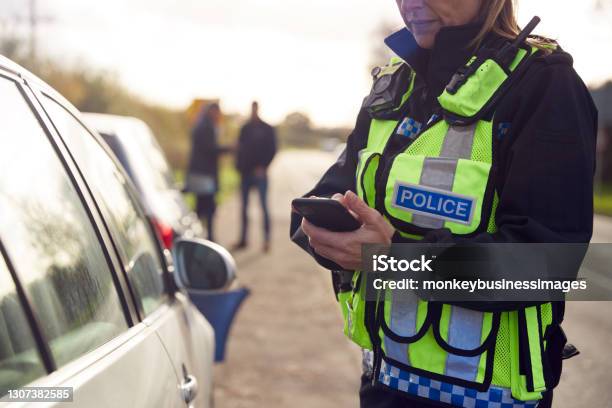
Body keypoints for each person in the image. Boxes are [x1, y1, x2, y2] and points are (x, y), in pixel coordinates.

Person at [290, 1, 597, 407]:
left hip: (493, 399)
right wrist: (328, 232)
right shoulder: (395, 85)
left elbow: (546, 263)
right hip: (383, 385)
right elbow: (322, 199)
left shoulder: (544, 85)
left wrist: (396, 258)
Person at [234, 101, 277, 252]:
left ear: (258, 109)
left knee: (263, 207)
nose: (253, 111)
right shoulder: (244, 128)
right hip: (245, 173)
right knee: (243, 208)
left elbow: (273, 149)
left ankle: (266, 241)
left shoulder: (267, 129)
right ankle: (243, 239)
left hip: (260, 174)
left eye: (255, 108)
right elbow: (239, 148)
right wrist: (238, 168)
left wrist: (263, 167)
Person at [186, 103, 230, 242]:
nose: (218, 115)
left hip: (200, 174)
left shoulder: (202, 124)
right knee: (207, 208)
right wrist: (229, 148)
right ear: (212, 112)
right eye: (217, 112)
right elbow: (211, 149)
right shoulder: (207, 127)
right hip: (204, 175)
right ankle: (207, 239)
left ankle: (199, 238)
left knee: (202, 207)